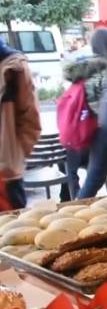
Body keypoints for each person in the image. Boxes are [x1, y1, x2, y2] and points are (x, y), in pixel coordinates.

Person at [62, 28, 107, 198]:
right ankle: (77, 209)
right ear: (106, 45)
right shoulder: (105, 72)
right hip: (104, 133)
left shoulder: (87, 69)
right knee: (95, 179)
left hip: (92, 132)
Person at [0, 38, 41, 209]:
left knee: (10, 230)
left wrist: (13, 155)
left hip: (4, 174)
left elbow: (30, 118)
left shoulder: (13, 68)